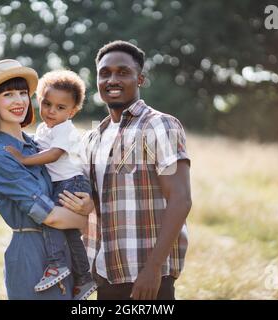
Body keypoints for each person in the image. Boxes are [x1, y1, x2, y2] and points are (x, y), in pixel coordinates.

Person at [0, 59, 94, 300]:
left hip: (64, 250)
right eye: (8, 94)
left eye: (22, 93)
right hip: (32, 254)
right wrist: (87, 217)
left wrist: (90, 203)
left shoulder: (35, 144)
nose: (19, 101)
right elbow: (51, 217)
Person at [82, 40, 192, 300]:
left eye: (123, 72)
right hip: (104, 274)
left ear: (140, 79)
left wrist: (153, 269)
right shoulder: (93, 138)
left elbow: (181, 199)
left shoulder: (159, 126)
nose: (112, 79)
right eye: (105, 73)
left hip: (147, 279)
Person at [5, 70, 97, 300]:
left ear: (73, 111)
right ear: (39, 100)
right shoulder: (45, 128)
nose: (51, 111)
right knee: (70, 233)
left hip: (72, 182)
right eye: (47, 104)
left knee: (50, 218)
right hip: (62, 183)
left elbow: (54, 154)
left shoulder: (66, 130)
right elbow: (32, 144)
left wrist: (24, 160)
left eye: (60, 107)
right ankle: (84, 277)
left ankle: (57, 265)